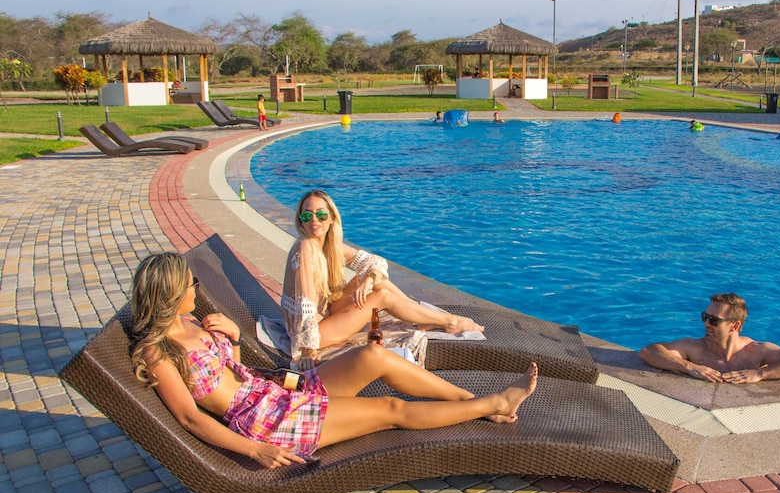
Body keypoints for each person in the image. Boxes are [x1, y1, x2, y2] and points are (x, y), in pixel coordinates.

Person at [129, 252, 537, 468]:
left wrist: (233, 339)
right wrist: (254, 451)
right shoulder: (158, 352)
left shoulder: (193, 322)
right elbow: (190, 418)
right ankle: (493, 403)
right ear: (171, 294)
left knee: (373, 355)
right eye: (191, 284)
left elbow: (235, 372)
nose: (196, 290)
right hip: (268, 421)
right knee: (389, 410)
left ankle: (469, 401)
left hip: (276, 390)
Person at [282, 190, 485, 369]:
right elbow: (305, 303)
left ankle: (418, 315)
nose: (314, 220)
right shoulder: (305, 247)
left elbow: (373, 261)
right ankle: (449, 321)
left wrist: (368, 280)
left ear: (332, 218)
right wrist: (307, 349)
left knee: (374, 280)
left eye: (321, 214)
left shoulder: (330, 247)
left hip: (327, 314)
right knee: (383, 296)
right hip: (315, 333)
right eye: (307, 215)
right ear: (301, 221)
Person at [639, 293, 780, 384]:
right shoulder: (694, 348)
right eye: (705, 317)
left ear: (734, 326)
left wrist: (759, 374)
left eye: (714, 320)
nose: (706, 323)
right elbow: (648, 351)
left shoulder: (755, 351)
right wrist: (690, 367)